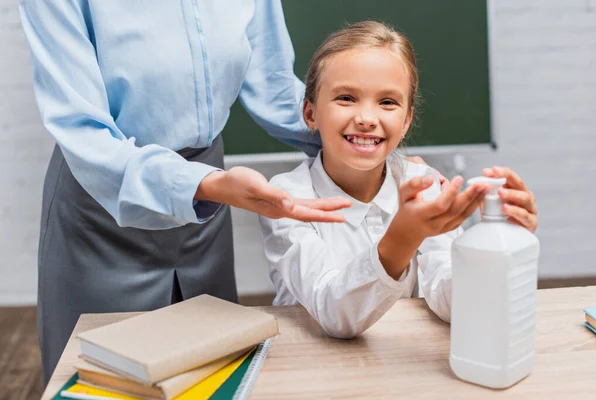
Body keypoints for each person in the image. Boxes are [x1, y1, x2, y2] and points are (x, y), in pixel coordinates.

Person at [18, 0, 360, 384]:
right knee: (101, 379)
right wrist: (204, 185)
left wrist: (377, 152)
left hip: (207, 211)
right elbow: (80, 128)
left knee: (214, 374)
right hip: (103, 207)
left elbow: (274, 88)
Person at [259, 21, 539, 339]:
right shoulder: (285, 198)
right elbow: (334, 314)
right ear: (311, 114)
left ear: (406, 121)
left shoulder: (423, 184)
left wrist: (501, 246)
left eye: (387, 102)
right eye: (346, 98)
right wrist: (403, 237)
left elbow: (452, 301)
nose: (366, 118)